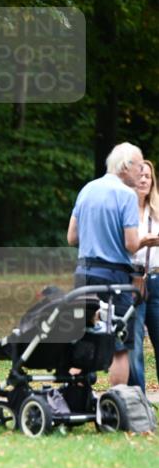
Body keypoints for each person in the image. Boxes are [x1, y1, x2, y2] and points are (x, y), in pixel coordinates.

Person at [67, 142, 142, 386]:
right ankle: (117, 403)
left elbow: (72, 238)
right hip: (114, 278)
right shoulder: (126, 195)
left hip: (84, 275)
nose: (141, 172)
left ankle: (73, 399)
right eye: (139, 166)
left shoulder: (87, 189)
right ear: (126, 166)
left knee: (83, 337)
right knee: (120, 344)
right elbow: (131, 244)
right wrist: (149, 240)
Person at [128, 160, 159, 392]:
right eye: (140, 175)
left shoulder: (157, 210)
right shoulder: (124, 210)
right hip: (133, 280)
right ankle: (137, 398)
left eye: (147, 176)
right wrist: (143, 242)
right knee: (134, 343)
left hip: (157, 280)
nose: (144, 180)